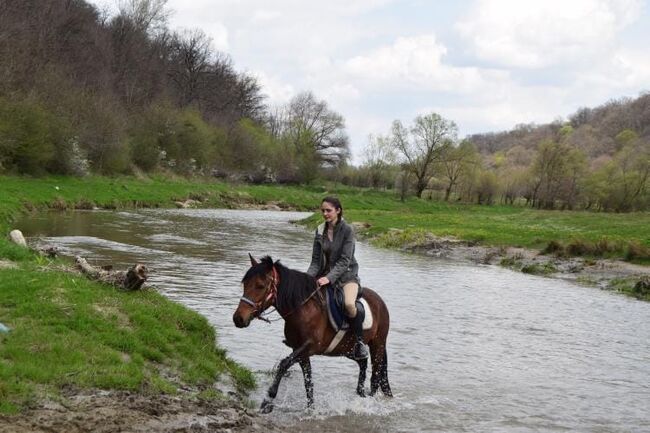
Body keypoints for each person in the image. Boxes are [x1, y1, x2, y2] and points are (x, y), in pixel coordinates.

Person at [306, 196, 368, 360]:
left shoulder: (347, 230)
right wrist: (305, 279)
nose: (325, 214)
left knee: (348, 304)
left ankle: (359, 343)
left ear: (338, 210)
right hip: (323, 276)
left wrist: (329, 278)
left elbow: (345, 260)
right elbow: (315, 261)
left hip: (347, 276)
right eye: (323, 211)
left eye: (328, 210)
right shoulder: (320, 230)